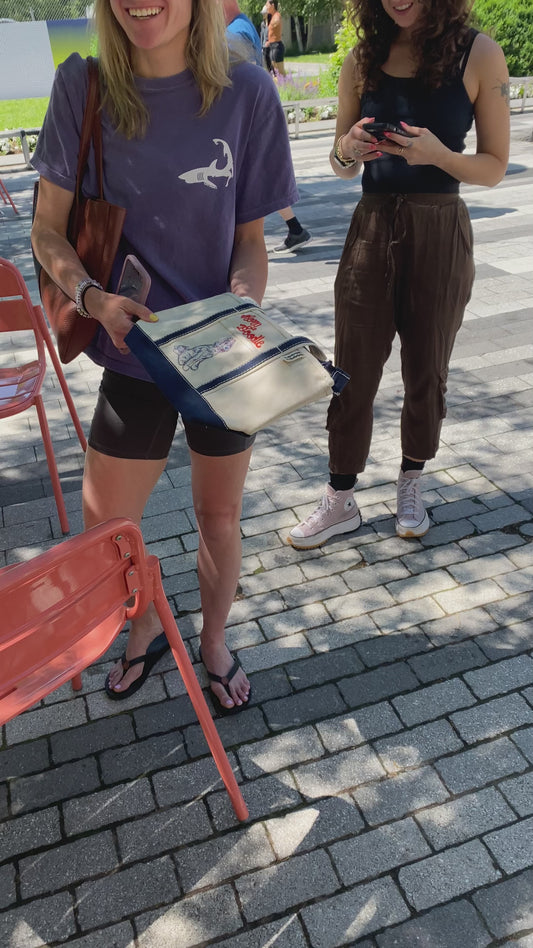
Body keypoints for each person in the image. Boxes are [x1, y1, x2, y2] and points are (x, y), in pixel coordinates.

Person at [31, 0, 298, 713]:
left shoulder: (248, 94)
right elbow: (46, 232)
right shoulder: (82, 86)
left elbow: (249, 241)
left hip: (220, 361)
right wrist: (90, 299)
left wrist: (240, 308)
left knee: (219, 515)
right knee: (105, 533)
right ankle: (146, 622)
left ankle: (213, 640)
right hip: (131, 354)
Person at [288, 0, 509, 549]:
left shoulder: (479, 54)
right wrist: (348, 149)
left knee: (426, 365)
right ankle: (340, 496)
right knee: (353, 364)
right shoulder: (363, 58)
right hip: (371, 223)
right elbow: (339, 166)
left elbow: (495, 165)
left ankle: (412, 480)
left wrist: (438, 154)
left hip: (440, 225)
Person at [222, 0, 310, 253]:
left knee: (255, 184)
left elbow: (238, 86)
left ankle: (291, 231)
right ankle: (295, 230)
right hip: (251, 123)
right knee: (265, 181)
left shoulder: (234, 33)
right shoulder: (240, 26)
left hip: (246, 125)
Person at [264, 0, 285, 77]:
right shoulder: (271, 17)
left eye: (267, 5)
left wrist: (275, 23)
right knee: (275, 72)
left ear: (272, 5)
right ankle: (280, 87)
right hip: (272, 46)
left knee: (280, 72)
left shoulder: (276, 15)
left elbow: (278, 20)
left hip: (277, 46)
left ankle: (287, 85)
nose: (266, 7)